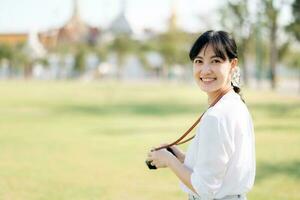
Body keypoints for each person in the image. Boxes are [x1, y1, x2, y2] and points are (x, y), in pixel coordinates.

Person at [146, 30, 255, 200]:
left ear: (233, 65)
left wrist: (168, 160)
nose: (205, 70)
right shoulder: (235, 103)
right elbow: (219, 168)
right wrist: (182, 158)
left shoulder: (216, 116)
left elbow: (204, 188)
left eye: (216, 61)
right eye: (199, 61)